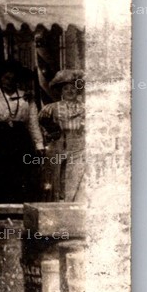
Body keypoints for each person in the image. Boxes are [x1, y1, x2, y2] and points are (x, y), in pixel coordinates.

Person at [0, 61, 44, 213]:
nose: (9, 82)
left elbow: (33, 123)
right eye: (6, 78)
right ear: (0, 79)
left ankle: (21, 211)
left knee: (22, 174)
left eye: (12, 79)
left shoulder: (26, 98)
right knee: (0, 174)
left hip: (20, 140)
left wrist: (39, 144)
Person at [39, 70, 86, 202]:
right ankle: (55, 205)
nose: (70, 91)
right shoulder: (51, 108)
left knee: (74, 175)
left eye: (73, 89)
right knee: (54, 177)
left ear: (78, 91)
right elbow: (42, 125)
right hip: (57, 146)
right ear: (61, 91)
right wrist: (50, 134)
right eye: (66, 89)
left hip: (78, 146)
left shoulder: (85, 108)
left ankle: (71, 204)